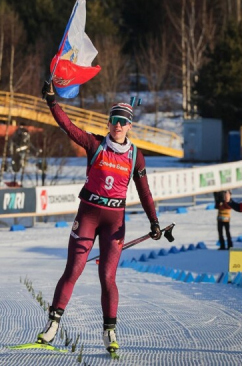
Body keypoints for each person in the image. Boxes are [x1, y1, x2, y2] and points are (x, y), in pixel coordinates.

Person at [35, 82, 161, 356]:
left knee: (107, 277)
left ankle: (110, 332)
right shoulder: (94, 143)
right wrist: (52, 102)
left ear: (129, 126)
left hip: (114, 222)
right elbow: (68, 127)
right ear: (108, 123)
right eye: (114, 121)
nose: (117, 125)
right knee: (74, 270)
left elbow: (145, 191)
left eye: (123, 122)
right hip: (89, 215)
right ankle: (53, 325)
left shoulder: (136, 156)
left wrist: (154, 221)